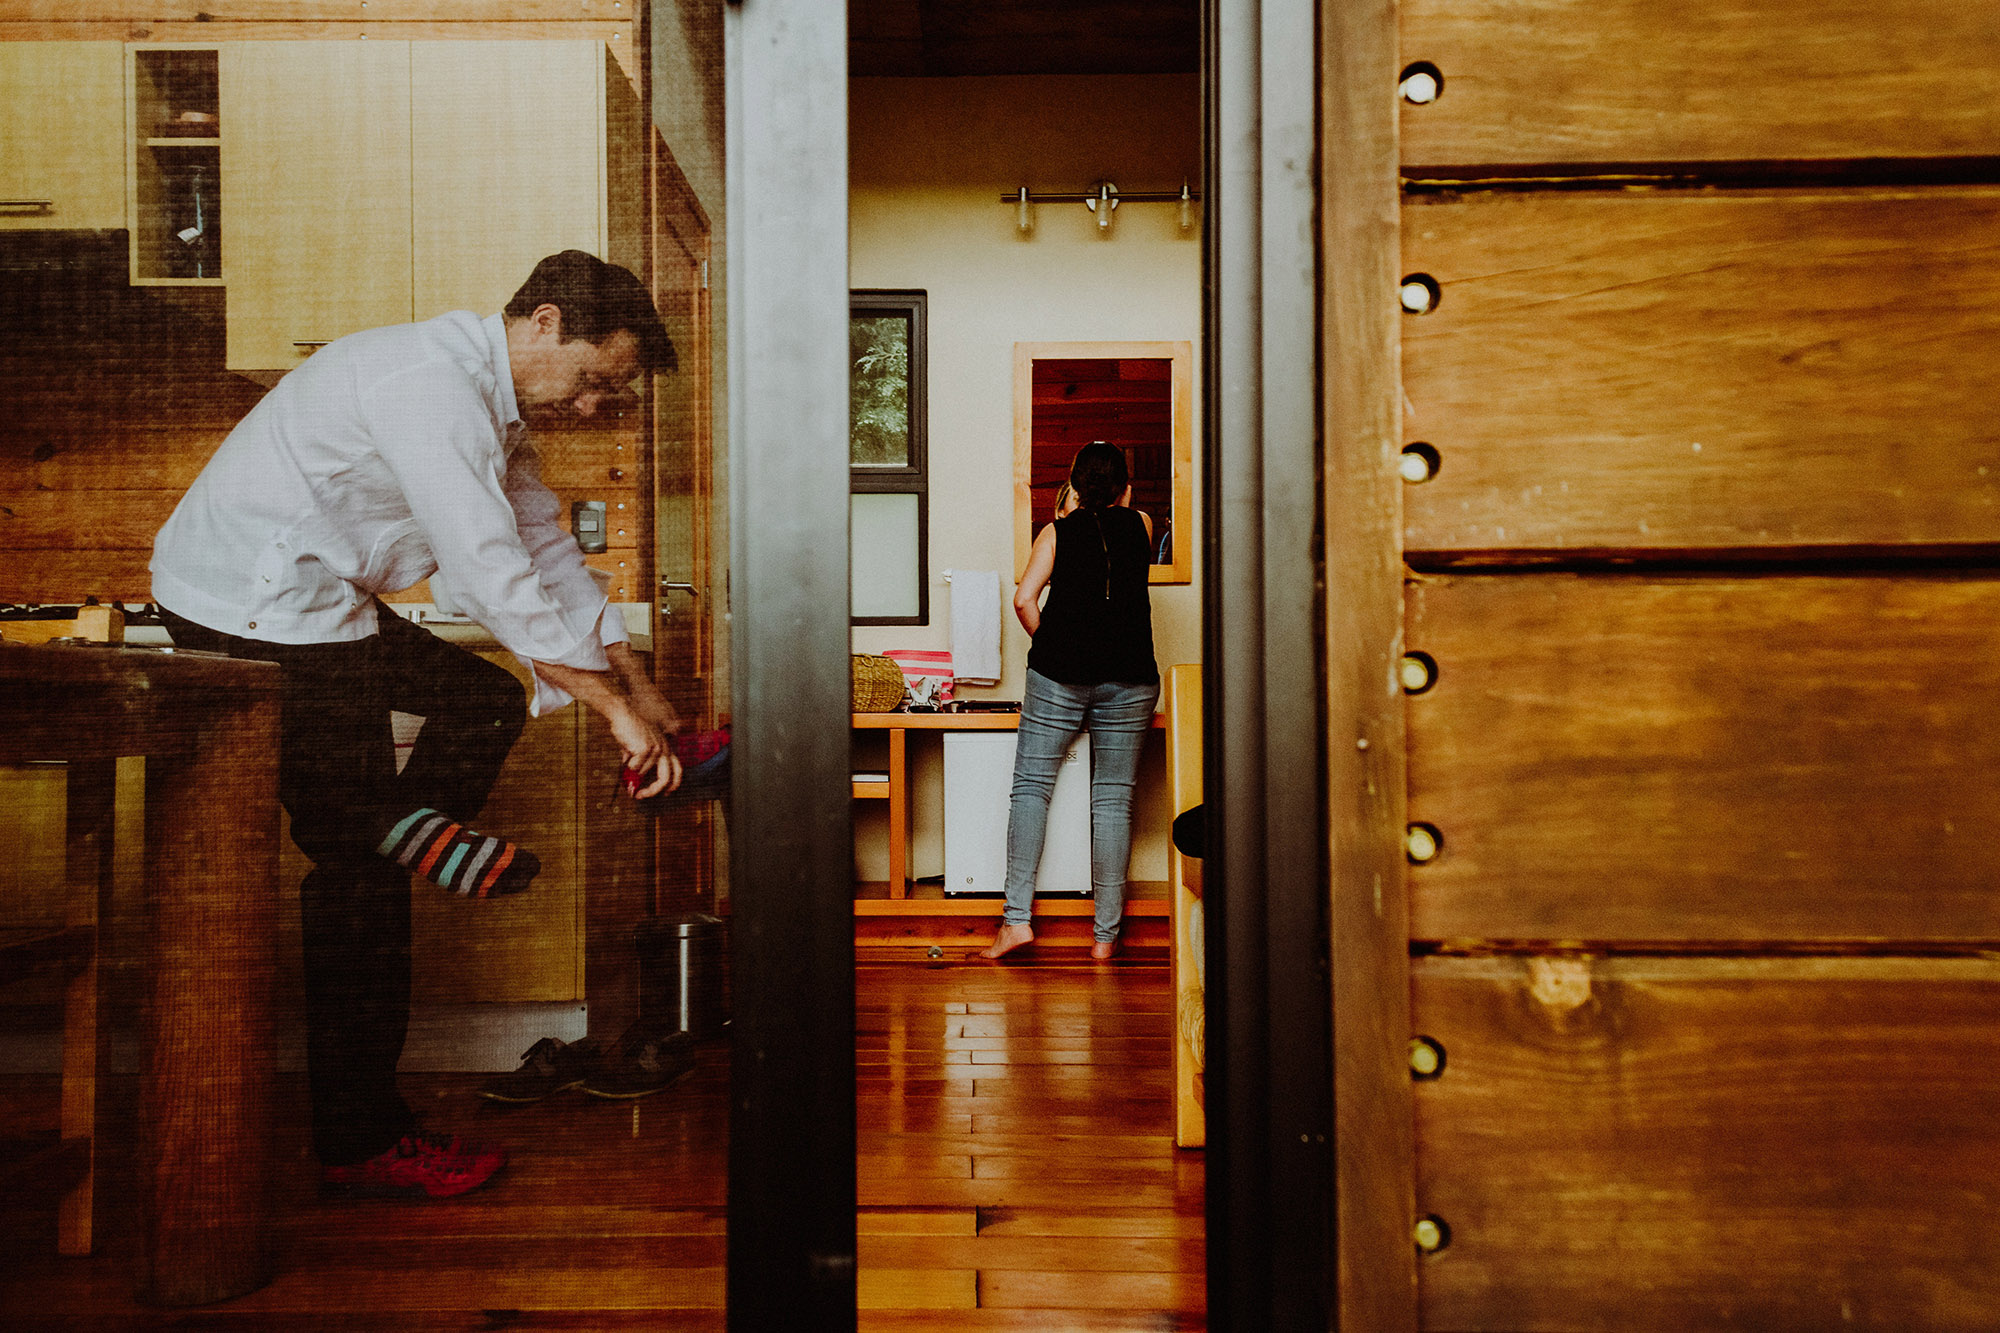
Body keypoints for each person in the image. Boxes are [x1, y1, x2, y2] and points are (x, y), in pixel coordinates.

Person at [150, 250, 683, 1200]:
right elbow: (485, 572)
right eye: (599, 382)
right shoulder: (429, 387)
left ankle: (401, 826)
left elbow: (547, 551)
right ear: (546, 322)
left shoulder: (495, 409)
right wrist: (607, 708)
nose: (597, 408)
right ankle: (361, 1139)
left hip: (319, 606)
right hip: (247, 605)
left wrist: (636, 685)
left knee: (477, 702)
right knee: (358, 883)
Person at [981, 441, 1161, 962]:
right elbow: (1113, 539)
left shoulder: (1056, 533)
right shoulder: (1143, 526)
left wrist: (1051, 644)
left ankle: (1016, 923)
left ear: (1075, 488)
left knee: (1031, 789)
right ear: (1126, 487)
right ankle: (1105, 939)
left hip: (1060, 675)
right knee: (1112, 800)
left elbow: (1023, 599)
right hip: (1132, 679)